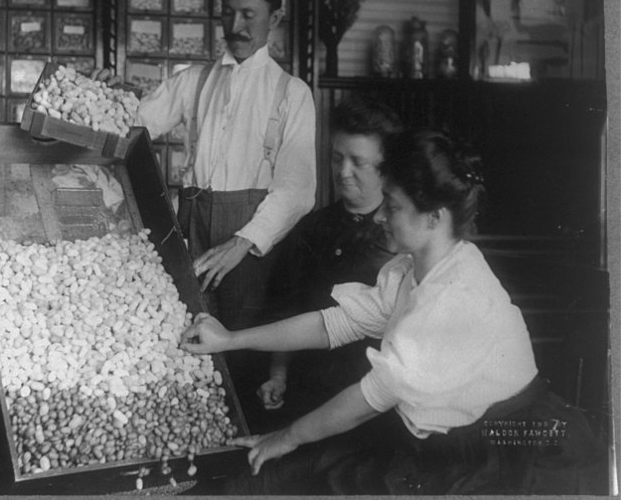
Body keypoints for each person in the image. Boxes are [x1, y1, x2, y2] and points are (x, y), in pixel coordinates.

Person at [180, 130, 607, 495]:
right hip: (437, 439)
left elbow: (371, 398)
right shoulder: (411, 268)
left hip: (507, 456)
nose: (380, 215)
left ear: (434, 217)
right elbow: (334, 323)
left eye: (394, 206)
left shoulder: (456, 294)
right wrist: (232, 338)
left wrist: (284, 439)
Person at [100, 0, 316, 423]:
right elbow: (132, 125)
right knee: (186, 341)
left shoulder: (291, 94)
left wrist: (241, 243)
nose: (237, 27)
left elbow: (298, 191)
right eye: (229, 13)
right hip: (193, 227)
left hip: (253, 246)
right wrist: (105, 93)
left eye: (250, 15)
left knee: (243, 350)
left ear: (274, 20)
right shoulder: (193, 80)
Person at [255, 99, 401, 428]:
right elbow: (285, 309)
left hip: (374, 406)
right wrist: (278, 376)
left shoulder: (403, 243)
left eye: (357, 162)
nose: (342, 171)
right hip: (308, 395)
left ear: (385, 167)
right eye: (337, 158)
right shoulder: (311, 229)